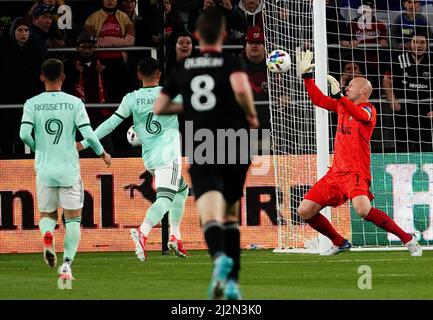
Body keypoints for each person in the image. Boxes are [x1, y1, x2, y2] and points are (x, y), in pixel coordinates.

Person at [153, 8, 259, 300]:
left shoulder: (183, 67)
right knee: (231, 215)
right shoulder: (231, 61)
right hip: (235, 140)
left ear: (197, 35)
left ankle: (219, 259)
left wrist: (189, 105)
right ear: (224, 35)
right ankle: (234, 284)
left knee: (209, 214)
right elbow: (241, 91)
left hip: (203, 142)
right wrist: (250, 115)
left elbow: (160, 107)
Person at [297, 50, 422, 256]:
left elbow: (359, 114)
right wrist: (306, 77)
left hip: (355, 173)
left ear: (364, 90)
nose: (346, 87)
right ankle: (339, 242)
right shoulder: (341, 106)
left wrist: (338, 96)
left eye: (351, 85)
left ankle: (407, 238)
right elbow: (318, 100)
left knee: (363, 210)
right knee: (305, 210)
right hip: (335, 174)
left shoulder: (369, 110)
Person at [77, 58, 190, 260]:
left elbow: (110, 124)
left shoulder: (131, 98)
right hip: (168, 155)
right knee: (166, 198)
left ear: (138, 74)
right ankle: (142, 232)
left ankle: (175, 236)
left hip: (149, 157)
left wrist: (85, 143)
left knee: (182, 189)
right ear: (159, 75)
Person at [19, 58, 111, 281]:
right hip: (68, 169)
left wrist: (38, 149)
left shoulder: (31, 103)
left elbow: (23, 135)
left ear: (42, 77)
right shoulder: (74, 103)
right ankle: (67, 265)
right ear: (63, 77)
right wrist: (102, 153)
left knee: (47, 215)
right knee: (72, 219)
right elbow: (88, 135)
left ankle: (48, 233)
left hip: (44, 170)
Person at [382, 27, 433, 153]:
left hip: (427, 110)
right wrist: (392, 101)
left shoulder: (431, 61)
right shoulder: (400, 59)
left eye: (422, 42)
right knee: (403, 145)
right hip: (403, 109)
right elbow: (386, 80)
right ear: (410, 43)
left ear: (427, 44)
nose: (419, 46)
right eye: (415, 42)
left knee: (427, 145)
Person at [0, 17, 45, 155]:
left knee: (28, 132)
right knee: (7, 132)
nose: (23, 33)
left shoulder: (37, 48)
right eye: (20, 30)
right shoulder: (4, 49)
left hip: (30, 99)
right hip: (8, 99)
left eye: (26, 30)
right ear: (13, 31)